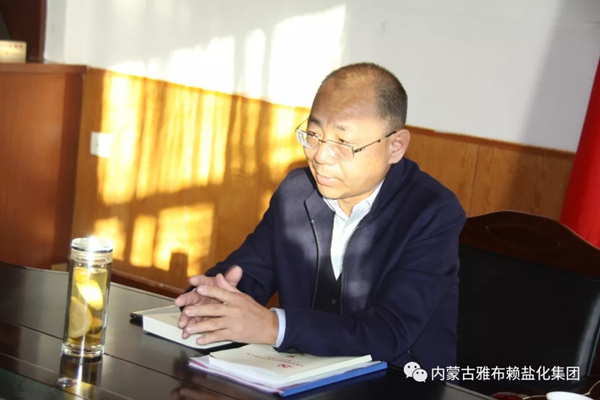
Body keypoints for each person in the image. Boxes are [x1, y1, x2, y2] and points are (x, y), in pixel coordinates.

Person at [174, 62, 466, 370]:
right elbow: (250, 270)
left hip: (401, 383)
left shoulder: (432, 211)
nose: (320, 156)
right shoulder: (297, 193)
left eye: (343, 143)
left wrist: (275, 327)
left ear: (396, 146)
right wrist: (214, 298)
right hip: (300, 375)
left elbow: (388, 332)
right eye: (313, 135)